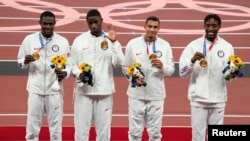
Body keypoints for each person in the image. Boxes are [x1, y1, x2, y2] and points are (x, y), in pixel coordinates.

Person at [178, 14, 236, 141]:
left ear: (219, 27)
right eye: (208, 25)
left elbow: (229, 78)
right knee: (197, 136)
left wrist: (233, 73)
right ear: (204, 26)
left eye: (214, 26)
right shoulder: (193, 45)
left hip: (218, 99)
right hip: (198, 99)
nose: (210, 28)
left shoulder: (227, 47)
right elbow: (182, 73)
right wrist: (192, 61)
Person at [70, 9, 124, 141]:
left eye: (96, 22)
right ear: (87, 23)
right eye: (90, 23)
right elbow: (71, 65)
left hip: (104, 93)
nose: (93, 25)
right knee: (81, 131)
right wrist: (79, 74)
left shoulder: (110, 40)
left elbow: (120, 63)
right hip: (83, 92)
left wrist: (114, 43)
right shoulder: (79, 40)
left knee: (104, 132)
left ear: (102, 21)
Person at [17, 11, 71, 141]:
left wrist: (65, 73)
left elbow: (69, 65)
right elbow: (19, 61)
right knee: (32, 129)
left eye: (51, 24)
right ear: (40, 23)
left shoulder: (63, 41)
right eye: (45, 23)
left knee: (56, 131)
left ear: (55, 24)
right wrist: (25, 61)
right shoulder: (29, 40)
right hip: (35, 89)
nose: (48, 27)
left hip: (55, 91)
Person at [123, 16, 175, 141]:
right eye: (150, 26)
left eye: (155, 27)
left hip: (156, 95)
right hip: (136, 95)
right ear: (145, 27)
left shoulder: (165, 46)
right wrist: (133, 77)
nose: (152, 29)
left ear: (159, 29)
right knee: (135, 133)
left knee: (155, 133)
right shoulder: (133, 44)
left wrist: (162, 66)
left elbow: (171, 70)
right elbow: (125, 68)